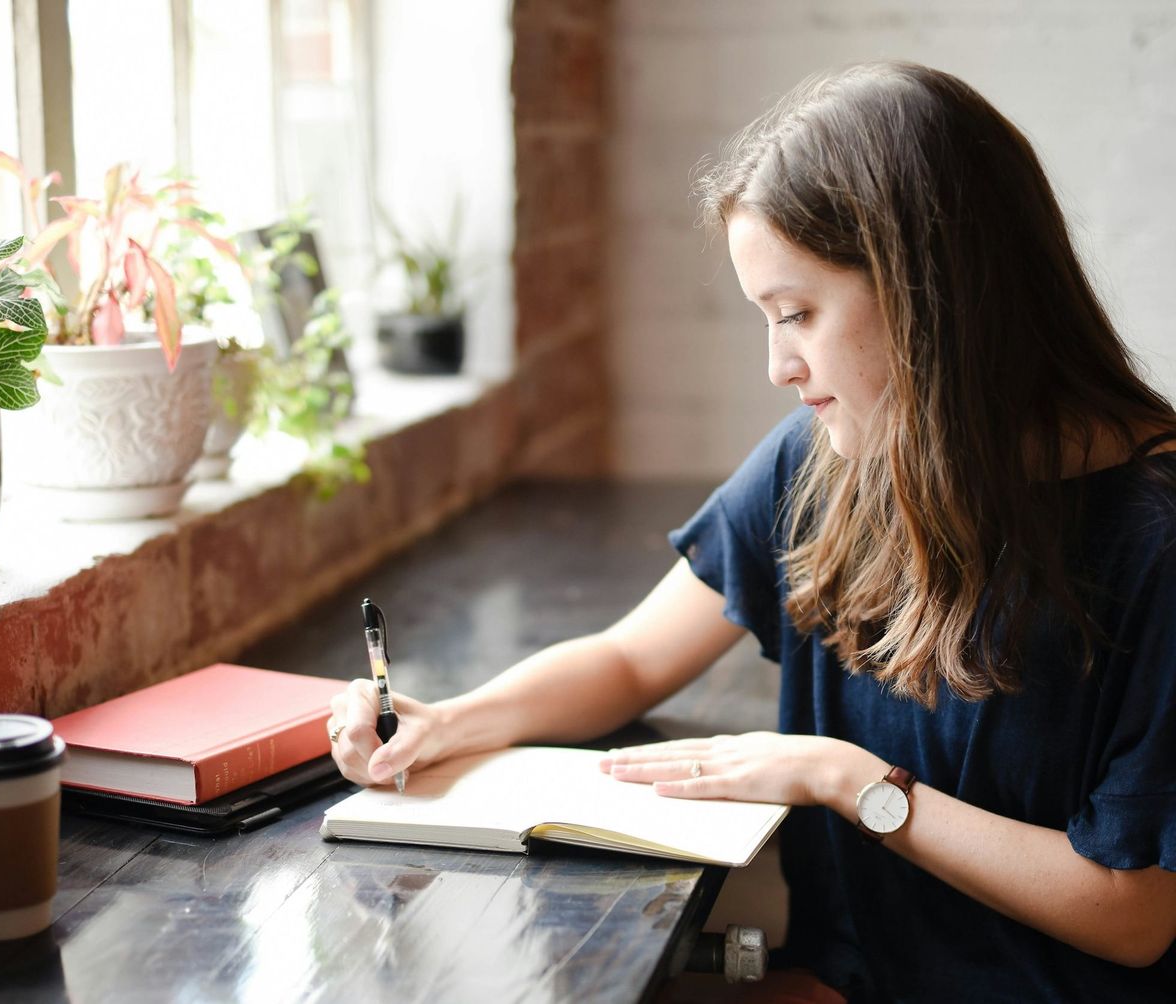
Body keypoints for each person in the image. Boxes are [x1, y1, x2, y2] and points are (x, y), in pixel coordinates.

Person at [328, 61, 1176, 1001]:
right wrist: (447, 723)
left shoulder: (1156, 539)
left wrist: (849, 780)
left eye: (799, 314)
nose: (780, 365)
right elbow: (631, 660)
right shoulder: (825, 461)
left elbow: (1133, 914)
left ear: (932, 294)